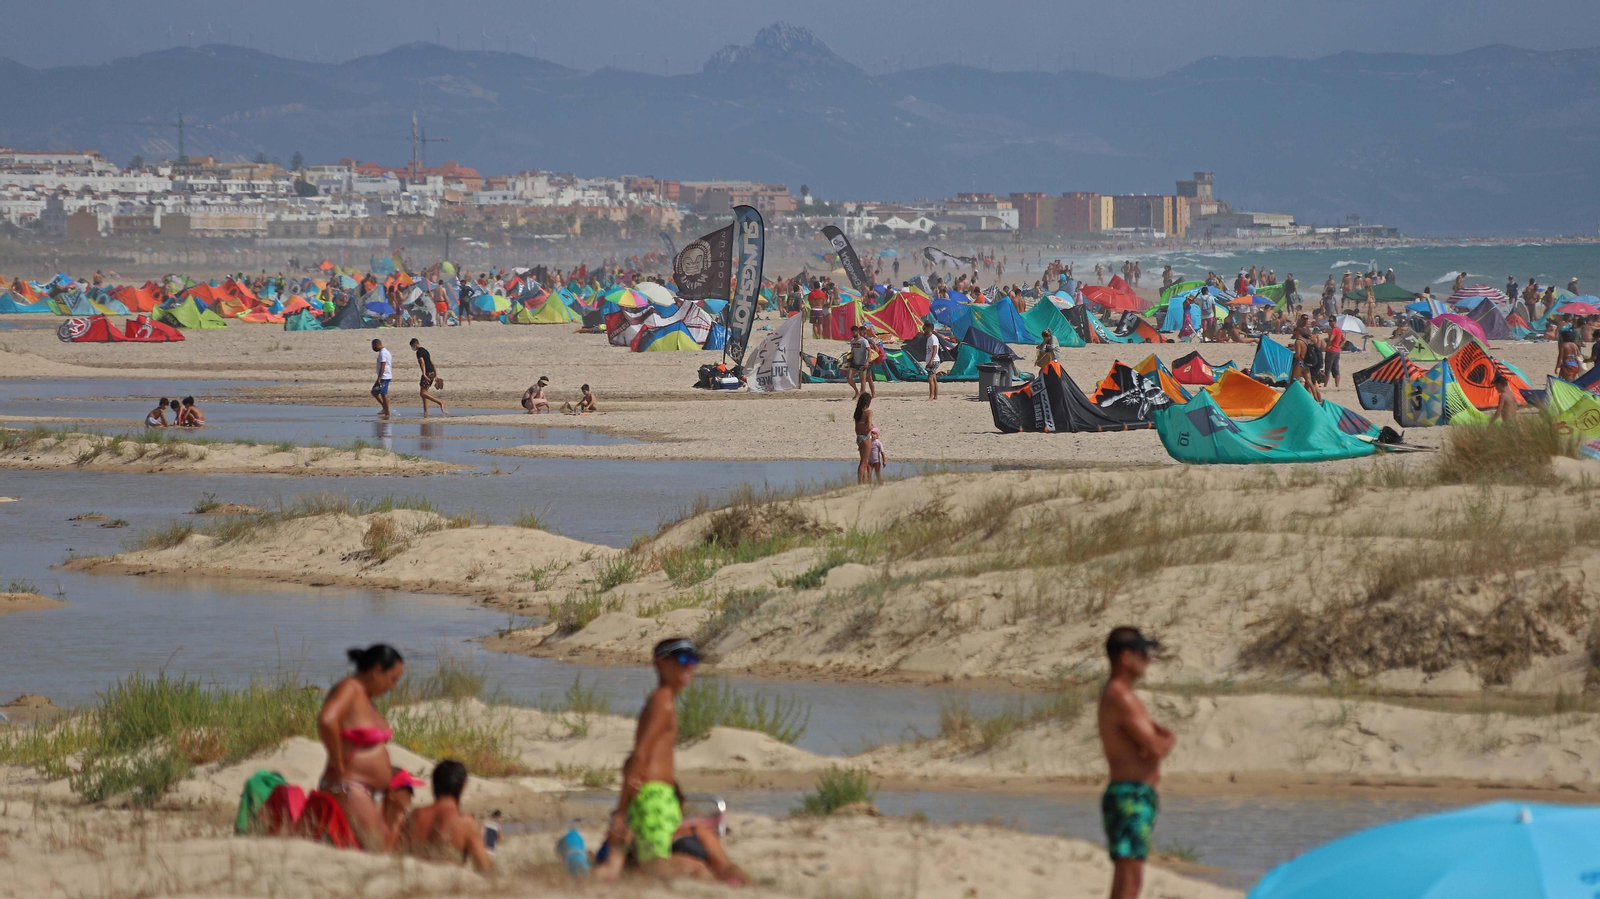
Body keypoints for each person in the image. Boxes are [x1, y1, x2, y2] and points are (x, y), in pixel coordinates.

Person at [602, 639, 710, 880]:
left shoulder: (665, 701)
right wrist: (620, 813)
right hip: (652, 797)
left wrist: (675, 789)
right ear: (660, 664)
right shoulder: (662, 702)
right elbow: (640, 755)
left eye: (694, 660)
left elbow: (647, 756)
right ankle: (701, 874)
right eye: (682, 659)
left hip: (660, 797)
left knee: (640, 861)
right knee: (653, 864)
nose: (689, 666)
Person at [1098, 627, 1174, 899]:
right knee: (1131, 882)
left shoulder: (1115, 694)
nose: (1149, 660)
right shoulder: (1122, 697)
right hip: (1131, 796)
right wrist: (1168, 740)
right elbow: (1155, 747)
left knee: (1124, 880)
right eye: (1144, 653)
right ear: (1126, 656)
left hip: (1129, 794)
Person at [318, 644, 405, 850]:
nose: (393, 687)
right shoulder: (350, 688)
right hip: (349, 786)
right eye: (392, 679)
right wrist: (338, 760)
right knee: (375, 849)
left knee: (383, 846)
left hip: (363, 789)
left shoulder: (365, 696)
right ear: (376, 671)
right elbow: (327, 720)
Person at [403, 759, 494, 872]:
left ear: (433, 786)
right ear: (462, 787)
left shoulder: (414, 815)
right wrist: (489, 843)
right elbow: (486, 869)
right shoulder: (465, 822)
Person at [409, 339, 447, 417]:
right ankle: (426, 412)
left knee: (423, 393)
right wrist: (436, 375)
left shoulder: (419, 352)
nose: (412, 348)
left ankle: (440, 402)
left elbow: (422, 362)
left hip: (427, 373)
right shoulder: (425, 351)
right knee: (424, 393)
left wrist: (424, 374)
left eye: (412, 346)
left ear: (415, 344)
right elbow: (432, 363)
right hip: (432, 372)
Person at [853, 393, 874, 485]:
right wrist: (871, 429)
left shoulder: (858, 412)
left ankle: (864, 481)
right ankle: (860, 482)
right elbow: (869, 426)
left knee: (863, 461)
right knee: (864, 462)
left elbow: (856, 428)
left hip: (859, 437)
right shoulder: (868, 412)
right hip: (866, 438)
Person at [371, 339, 393, 418]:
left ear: (377, 345)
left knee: (384, 393)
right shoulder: (384, 352)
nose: (373, 348)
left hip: (384, 377)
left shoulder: (383, 353)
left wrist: (379, 378)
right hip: (384, 377)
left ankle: (387, 412)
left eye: (373, 346)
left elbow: (383, 365)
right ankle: (385, 407)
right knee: (374, 391)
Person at [921, 321, 940, 400]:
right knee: (934, 378)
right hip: (932, 360)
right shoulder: (929, 338)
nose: (924, 330)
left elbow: (935, 350)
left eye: (925, 328)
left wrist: (931, 361)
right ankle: (935, 396)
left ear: (929, 329)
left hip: (934, 360)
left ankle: (931, 396)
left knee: (930, 378)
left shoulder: (933, 338)